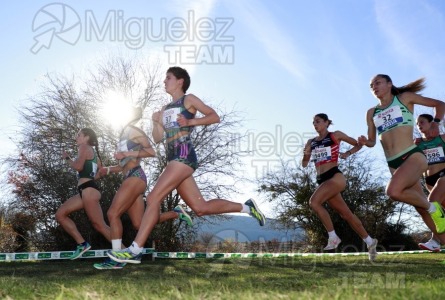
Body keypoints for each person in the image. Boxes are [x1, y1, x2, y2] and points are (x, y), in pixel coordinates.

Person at [106, 66, 266, 264]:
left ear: (180, 81)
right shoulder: (164, 109)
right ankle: (246, 207)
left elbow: (214, 116)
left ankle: (135, 249)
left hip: (184, 155)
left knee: (155, 197)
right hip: (173, 159)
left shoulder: (188, 100)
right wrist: (156, 121)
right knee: (200, 208)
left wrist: (190, 123)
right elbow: (156, 139)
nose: (164, 81)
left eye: (168, 78)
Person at [93, 106, 193, 270]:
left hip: (136, 176)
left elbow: (151, 152)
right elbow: (122, 166)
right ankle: (176, 213)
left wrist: (126, 154)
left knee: (112, 213)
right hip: (130, 176)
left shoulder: (134, 131)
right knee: (140, 224)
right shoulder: (123, 135)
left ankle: (117, 258)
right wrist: (109, 169)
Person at [358, 74, 445, 239]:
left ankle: (435, 208)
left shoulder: (404, 98)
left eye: (378, 82)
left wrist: (436, 122)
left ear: (389, 84)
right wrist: (365, 141)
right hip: (393, 163)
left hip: (412, 156)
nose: (374, 87)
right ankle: (441, 241)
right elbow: (372, 141)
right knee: (419, 207)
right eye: (371, 85)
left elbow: (440, 104)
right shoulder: (371, 112)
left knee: (393, 191)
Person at [302, 113, 378, 261]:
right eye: (313, 123)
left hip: (335, 177)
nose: (315, 124)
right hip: (322, 180)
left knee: (314, 202)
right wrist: (305, 155)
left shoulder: (335, 135)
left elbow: (358, 144)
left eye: (317, 121)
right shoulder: (311, 142)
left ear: (326, 122)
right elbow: (304, 163)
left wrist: (347, 153)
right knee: (346, 214)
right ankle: (370, 241)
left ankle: (333, 237)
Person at [56, 128, 109, 260]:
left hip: (88, 191)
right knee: (60, 215)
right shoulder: (93, 152)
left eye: (79, 135)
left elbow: (78, 167)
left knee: (100, 226)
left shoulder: (84, 147)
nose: (76, 137)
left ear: (86, 137)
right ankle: (82, 244)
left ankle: (125, 251)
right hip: (86, 190)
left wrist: (67, 158)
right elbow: (98, 174)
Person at [415, 114, 445, 251]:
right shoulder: (417, 143)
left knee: (431, 202)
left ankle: (435, 240)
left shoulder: (442, 138)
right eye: (417, 124)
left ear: (431, 123)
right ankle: (437, 241)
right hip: (429, 181)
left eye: (422, 122)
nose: (419, 125)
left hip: (443, 175)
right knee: (439, 209)